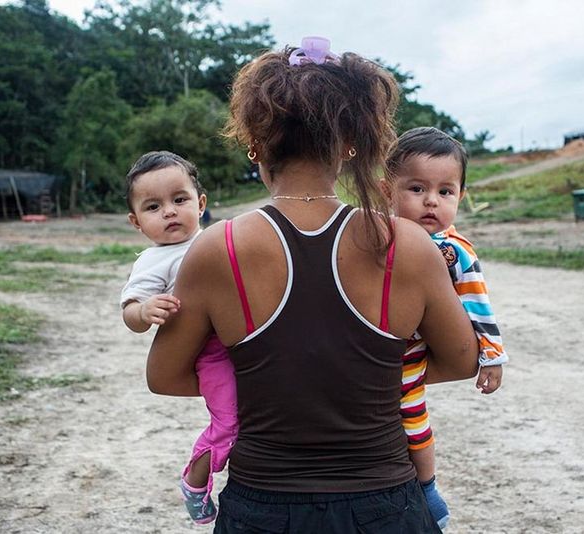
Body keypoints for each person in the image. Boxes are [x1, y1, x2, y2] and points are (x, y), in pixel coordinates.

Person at [146, 36, 479, 533]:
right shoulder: (407, 243)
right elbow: (462, 359)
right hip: (386, 506)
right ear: (349, 144)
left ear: (255, 143)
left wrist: (274, 383)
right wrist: (366, 376)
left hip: (262, 508)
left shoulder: (219, 248)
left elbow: (165, 376)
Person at [384, 126, 509, 528]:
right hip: (376, 346)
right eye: (416, 189)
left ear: (461, 197)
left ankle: (427, 488)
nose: (431, 202)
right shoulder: (379, 234)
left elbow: (477, 302)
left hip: (413, 352)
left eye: (445, 191)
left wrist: (492, 354)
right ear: (388, 191)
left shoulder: (452, 250)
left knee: (411, 416)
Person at [120, 151, 236, 525]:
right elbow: (131, 312)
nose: (169, 211)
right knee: (230, 423)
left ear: (200, 204)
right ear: (136, 222)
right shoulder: (153, 262)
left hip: (248, 339)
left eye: (179, 199)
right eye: (154, 206)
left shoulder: (220, 238)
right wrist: (145, 311)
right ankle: (196, 482)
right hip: (212, 354)